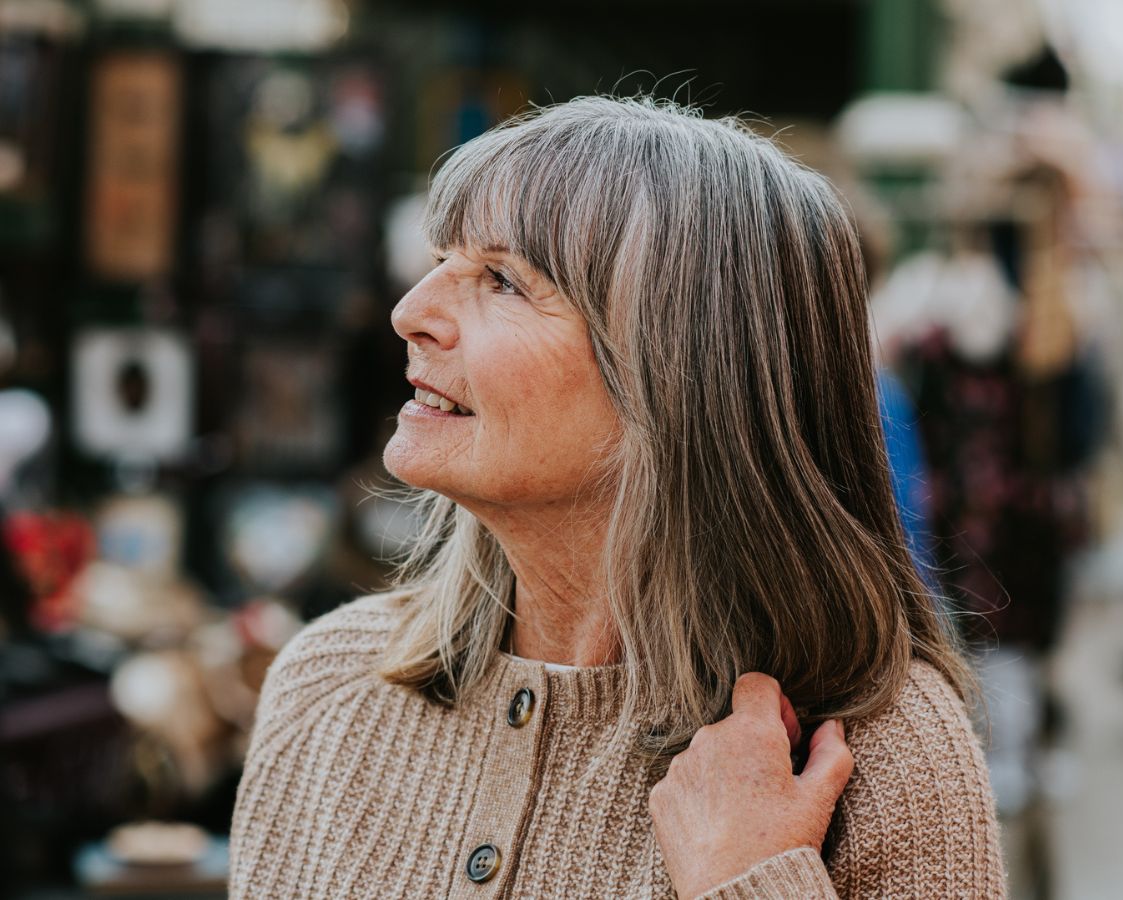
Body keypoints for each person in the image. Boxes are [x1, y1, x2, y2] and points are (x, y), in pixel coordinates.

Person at [229, 96, 1005, 898]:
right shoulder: (326, 687)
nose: (411, 312)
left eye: (502, 280)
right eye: (440, 262)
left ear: (685, 376)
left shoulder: (882, 762)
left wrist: (751, 878)